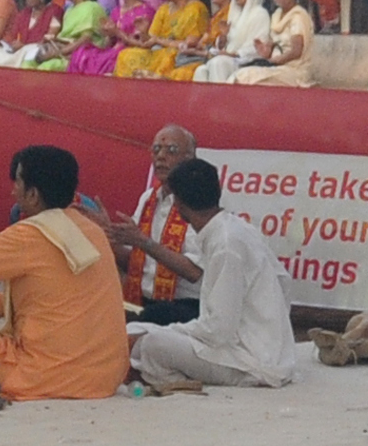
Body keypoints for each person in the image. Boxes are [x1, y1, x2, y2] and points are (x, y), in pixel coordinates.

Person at [0, 145, 130, 404]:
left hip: (51, 375)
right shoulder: (92, 230)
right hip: (106, 376)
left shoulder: (29, 234)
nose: (13, 190)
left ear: (33, 194)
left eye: (18, 182)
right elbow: (57, 298)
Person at [122, 158, 300, 391]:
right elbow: (283, 281)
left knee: (152, 344)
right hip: (254, 349)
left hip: (251, 362)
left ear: (178, 204)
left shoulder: (226, 244)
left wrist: (158, 331)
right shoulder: (235, 228)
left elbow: (217, 331)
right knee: (135, 332)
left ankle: (165, 379)